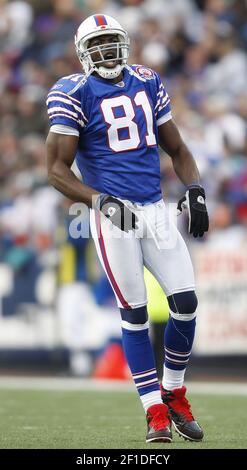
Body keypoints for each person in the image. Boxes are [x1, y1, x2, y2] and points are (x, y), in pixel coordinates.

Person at [45, 14, 209, 444]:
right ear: (83, 53)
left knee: (187, 302)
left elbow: (177, 147)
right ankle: (153, 409)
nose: (107, 52)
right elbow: (56, 169)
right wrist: (98, 201)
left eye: (112, 42)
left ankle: (173, 389)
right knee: (134, 312)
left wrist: (195, 189)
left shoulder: (147, 80)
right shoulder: (73, 92)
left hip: (154, 208)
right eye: (97, 44)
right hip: (111, 215)